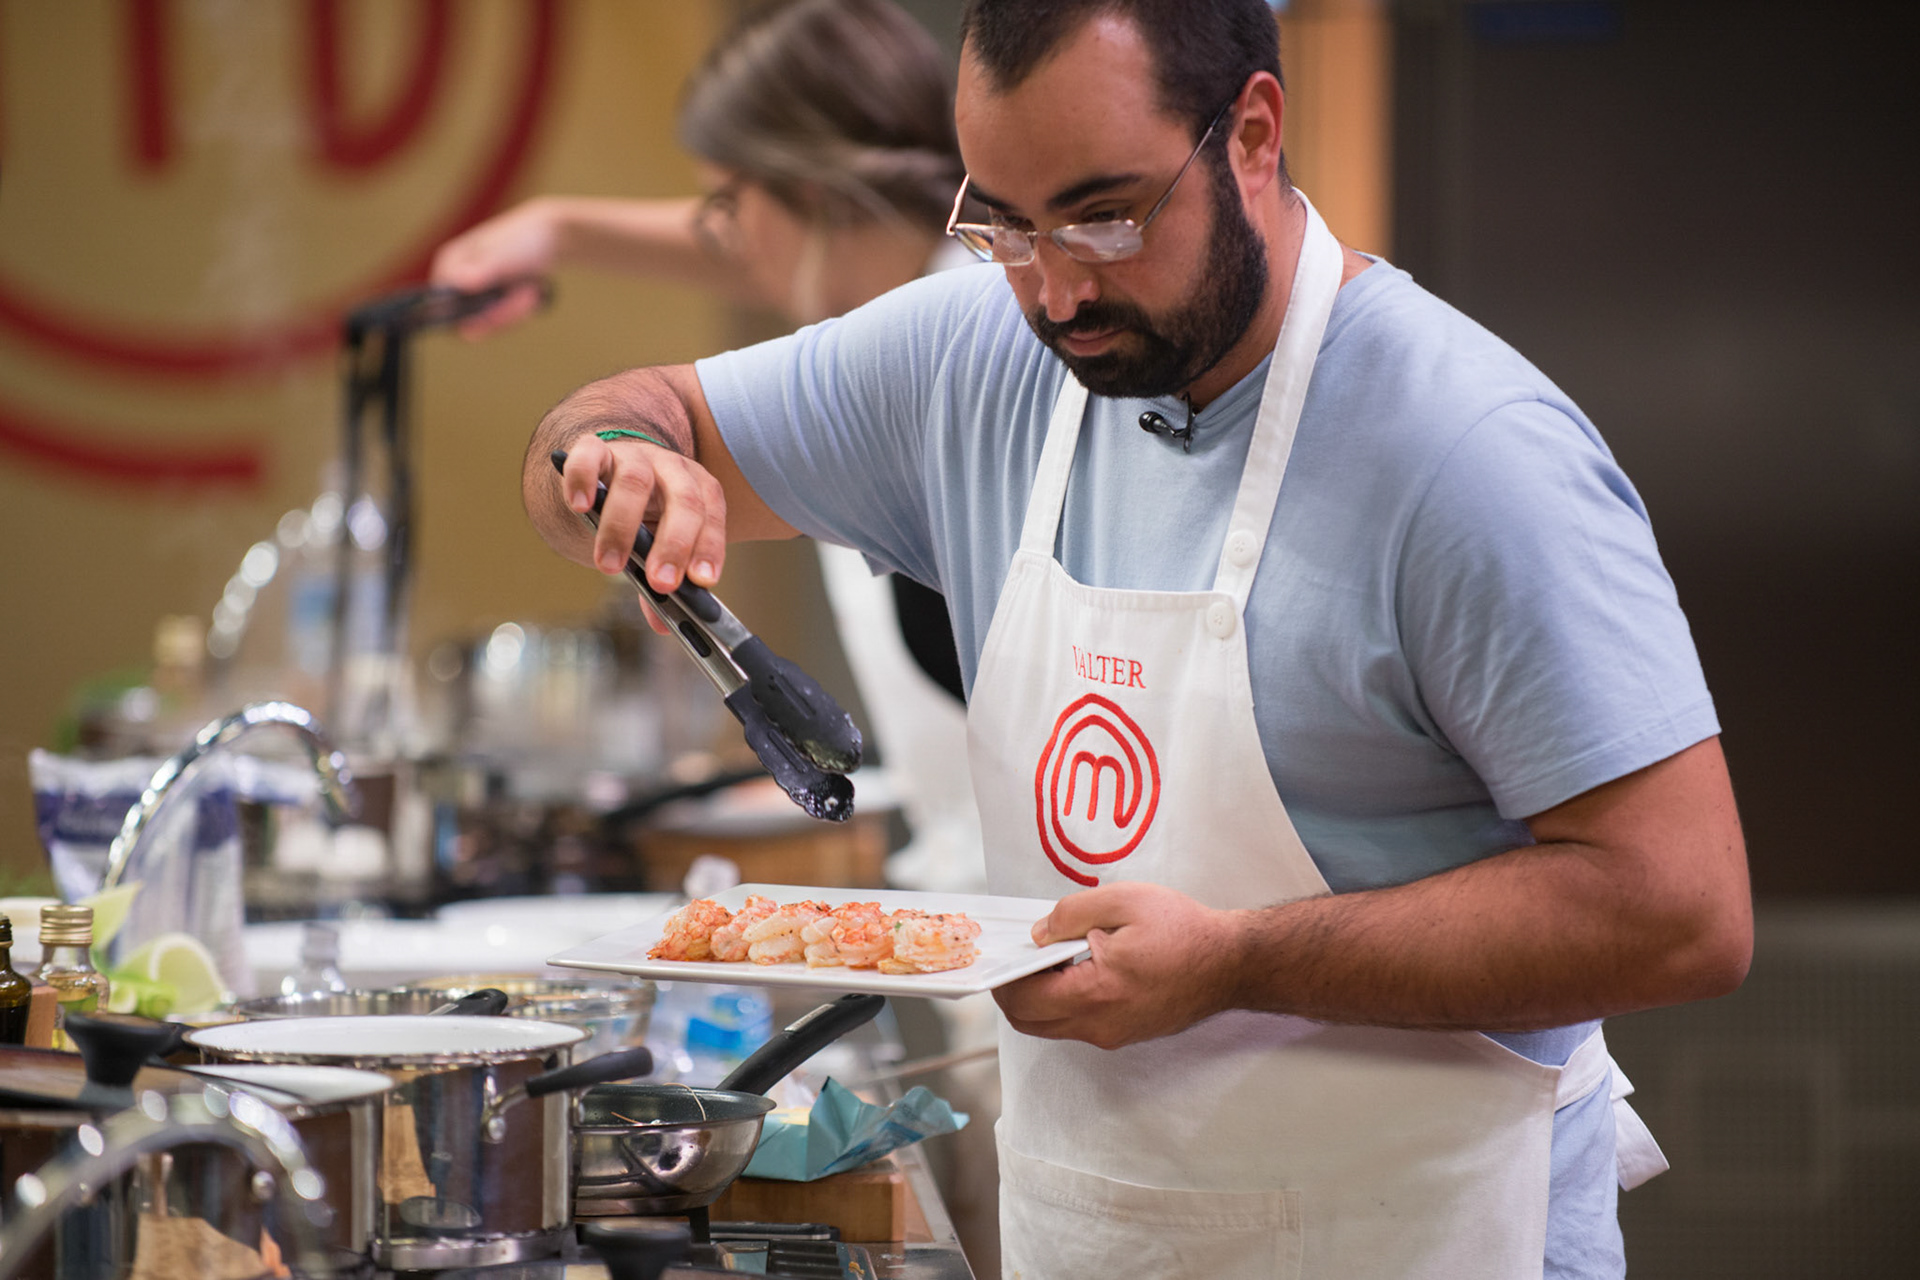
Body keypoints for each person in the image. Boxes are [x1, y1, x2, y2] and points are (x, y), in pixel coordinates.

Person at [518, 0, 1753, 1276]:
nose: (1057, 290)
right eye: (1004, 225)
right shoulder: (975, 360)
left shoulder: (1469, 453)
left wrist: (1236, 961)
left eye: (1106, 216)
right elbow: (619, 418)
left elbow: (1682, 910)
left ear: (1253, 136)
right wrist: (618, 459)